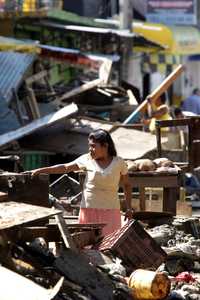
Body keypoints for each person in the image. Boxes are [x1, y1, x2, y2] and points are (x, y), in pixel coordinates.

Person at [28, 129, 133, 236]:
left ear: (105, 146)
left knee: (109, 244)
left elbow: (127, 185)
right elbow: (65, 167)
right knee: (87, 246)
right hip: (89, 210)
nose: (90, 149)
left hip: (111, 210)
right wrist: (41, 170)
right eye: (89, 146)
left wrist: (129, 208)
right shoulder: (86, 159)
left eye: (93, 146)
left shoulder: (119, 162)